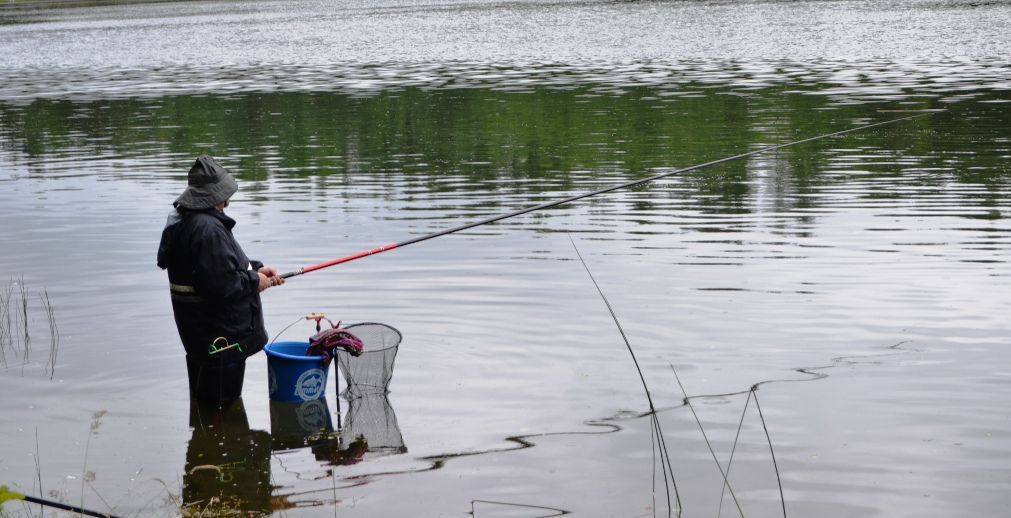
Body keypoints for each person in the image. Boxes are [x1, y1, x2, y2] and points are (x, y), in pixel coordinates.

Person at [157, 156, 284, 402]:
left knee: (205, 408)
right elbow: (221, 285)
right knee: (222, 411)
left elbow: (216, 268)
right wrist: (253, 281)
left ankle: (205, 440)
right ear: (215, 195)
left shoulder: (189, 221)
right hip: (222, 341)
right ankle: (220, 437)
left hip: (201, 337)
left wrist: (256, 269)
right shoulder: (207, 228)